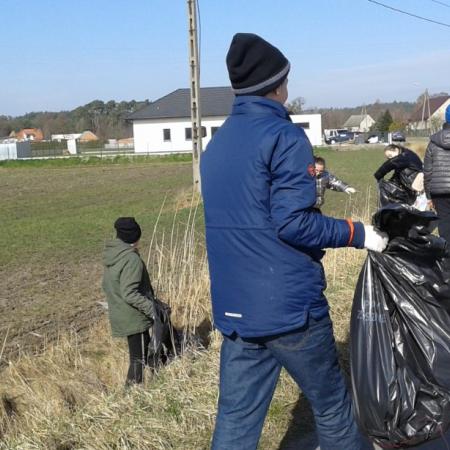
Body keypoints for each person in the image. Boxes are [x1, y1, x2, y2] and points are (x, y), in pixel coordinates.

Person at [200, 33, 388, 450]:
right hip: (290, 308)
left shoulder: (217, 145)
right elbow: (293, 224)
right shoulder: (285, 137)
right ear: (277, 84)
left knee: (236, 418)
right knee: (333, 408)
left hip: (237, 311)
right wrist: (357, 233)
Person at [102, 217, 155, 385]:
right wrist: (153, 309)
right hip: (134, 317)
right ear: (135, 237)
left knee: (142, 351)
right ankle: (131, 394)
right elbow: (129, 293)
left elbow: (107, 285)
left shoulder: (114, 256)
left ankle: (151, 381)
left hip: (122, 313)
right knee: (138, 360)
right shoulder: (131, 260)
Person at [424, 104, 450, 242]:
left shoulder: (433, 143)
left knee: (445, 226)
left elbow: (428, 171)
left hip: (439, 192)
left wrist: (429, 196)